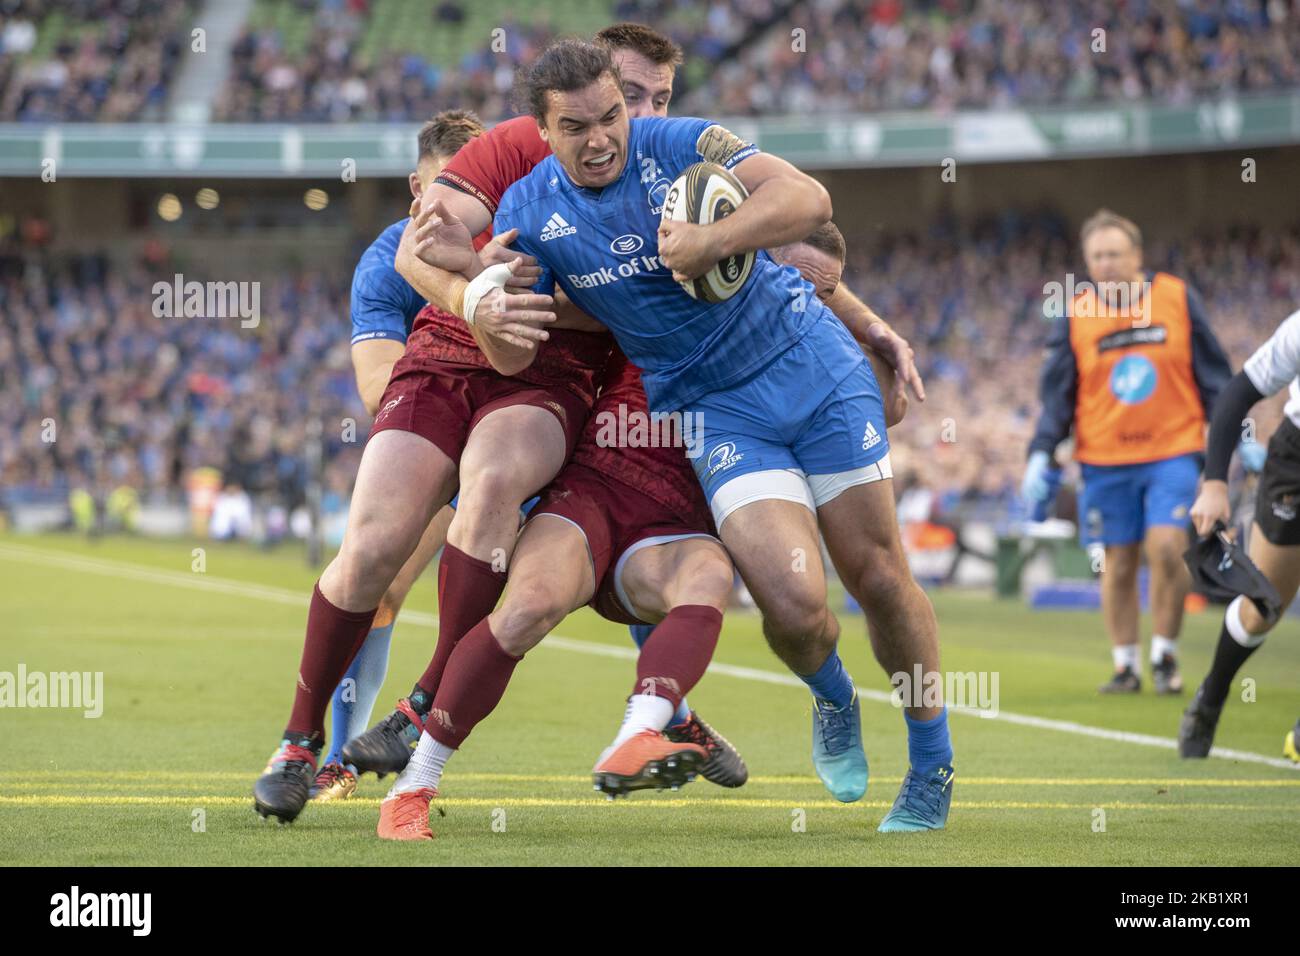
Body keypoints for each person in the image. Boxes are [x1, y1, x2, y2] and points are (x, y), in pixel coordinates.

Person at [454, 40, 953, 831]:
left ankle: (930, 767)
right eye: (576, 126)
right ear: (542, 131)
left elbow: (807, 199)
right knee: (792, 602)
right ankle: (834, 697)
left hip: (813, 368)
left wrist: (713, 241)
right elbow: (513, 342)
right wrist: (485, 302)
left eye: (613, 115)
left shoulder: (682, 144)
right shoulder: (526, 214)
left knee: (880, 576)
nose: (602, 138)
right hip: (719, 412)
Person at [312, 110, 487, 802]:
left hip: (540, 447)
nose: (457, 212)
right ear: (417, 189)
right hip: (448, 449)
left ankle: (665, 709)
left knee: (619, 560)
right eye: (443, 192)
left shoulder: (525, 242)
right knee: (379, 581)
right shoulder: (389, 260)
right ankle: (338, 757)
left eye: (476, 193)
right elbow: (381, 388)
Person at [1023, 209, 1231, 695]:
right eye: (1097, 256)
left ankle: (1164, 655)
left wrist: (1236, 435)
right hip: (1103, 459)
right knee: (1116, 561)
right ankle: (1125, 666)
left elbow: (1216, 377)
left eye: (1115, 253)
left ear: (1136, 255)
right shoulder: (1075, 312)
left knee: (1165, 547)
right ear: (1087, 261)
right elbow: (1059, 396)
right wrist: (1041, 451)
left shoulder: (1177, 298)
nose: (1106, 263)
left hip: (1173, 451)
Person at [1184, 306, 1300, 762]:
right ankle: (1211, 697)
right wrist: (1214, 483)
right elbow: (1236, 394)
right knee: (1263, 606)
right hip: (1295, 463)